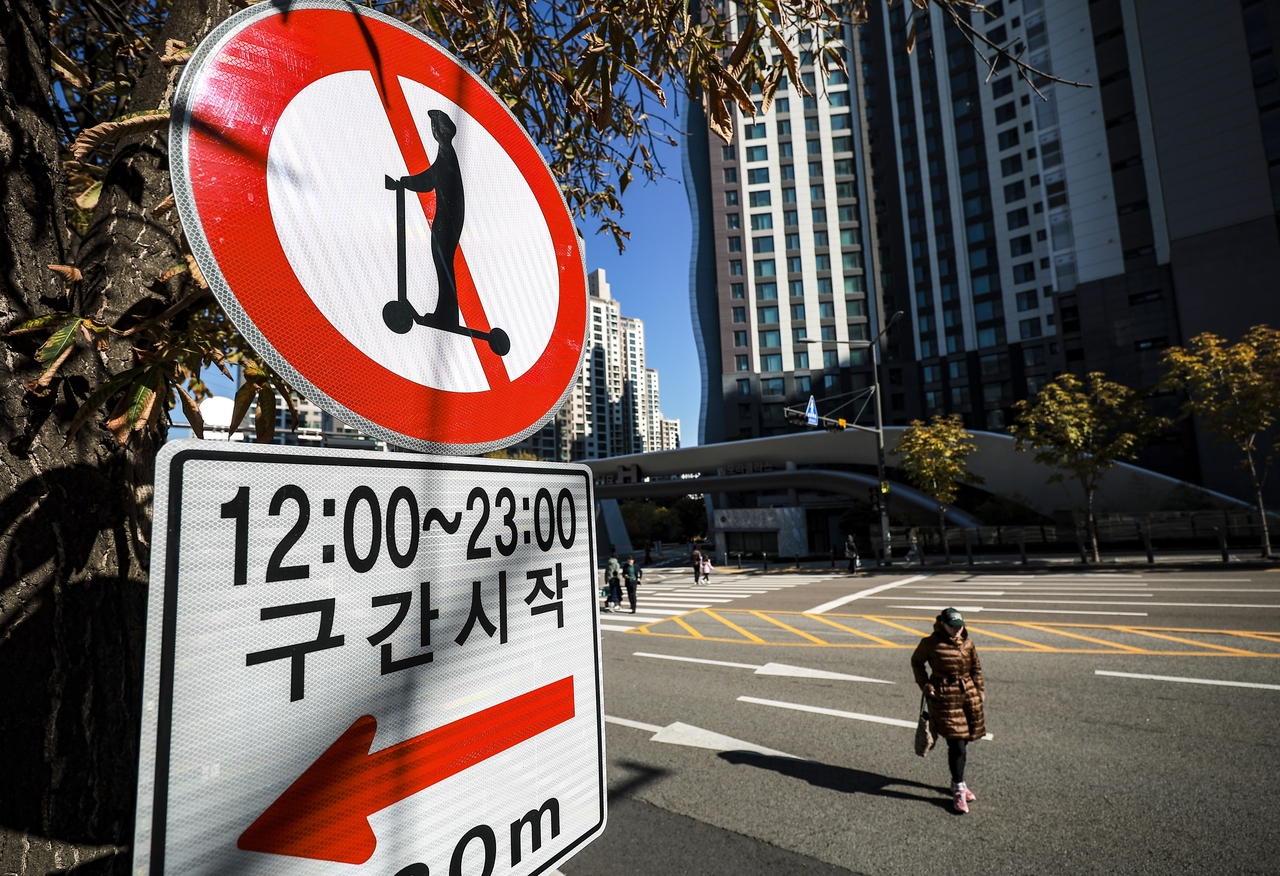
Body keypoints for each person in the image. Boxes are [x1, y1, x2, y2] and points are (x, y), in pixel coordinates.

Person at [911, 607, 985, 814]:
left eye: (960, 626)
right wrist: (926, 684)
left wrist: (979, 691)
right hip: (944, 698)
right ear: (942, 624)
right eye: (953, 627)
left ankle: (957, 782)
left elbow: (976, 668)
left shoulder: (968, 643)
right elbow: (916, 662)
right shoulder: (930, 643)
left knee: (964, 742)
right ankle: (959, 786)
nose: (958, 630)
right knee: (957, 744)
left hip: (968, 698)